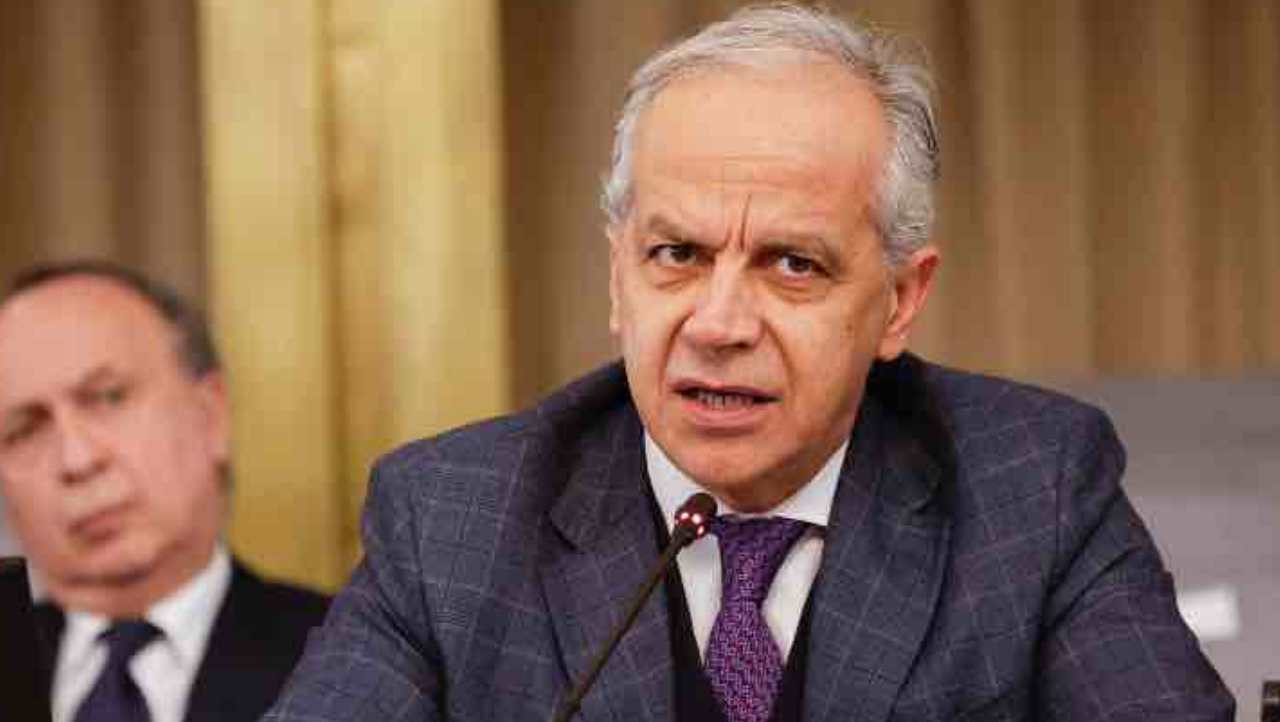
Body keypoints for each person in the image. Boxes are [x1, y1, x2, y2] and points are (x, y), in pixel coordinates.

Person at [265, 4, 1233, 721]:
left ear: (899, 299)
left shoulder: (1031, 490)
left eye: (791, 264)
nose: (718, 323)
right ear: (618, 277)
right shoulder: (453, 522)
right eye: (676, 255)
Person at [0, 261, 330, 722]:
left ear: (211, 415)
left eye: (108, 397)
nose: (77, 460)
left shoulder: (346, 652)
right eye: (24, 430)